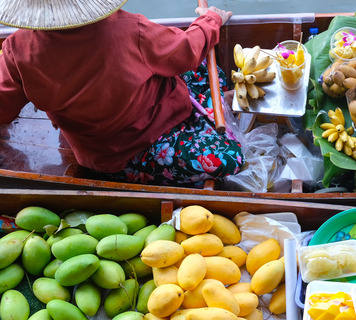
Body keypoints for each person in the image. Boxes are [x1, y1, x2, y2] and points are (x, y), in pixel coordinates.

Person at [0, 0, 243, 187]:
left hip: (95, 150)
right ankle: (213, 106)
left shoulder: (15, 49)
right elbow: (186, 49)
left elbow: (3, 106)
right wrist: (211, 20)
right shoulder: (128, 28)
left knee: (197, 68)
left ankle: (212, 105)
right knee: (229, 158)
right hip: (143, 146)